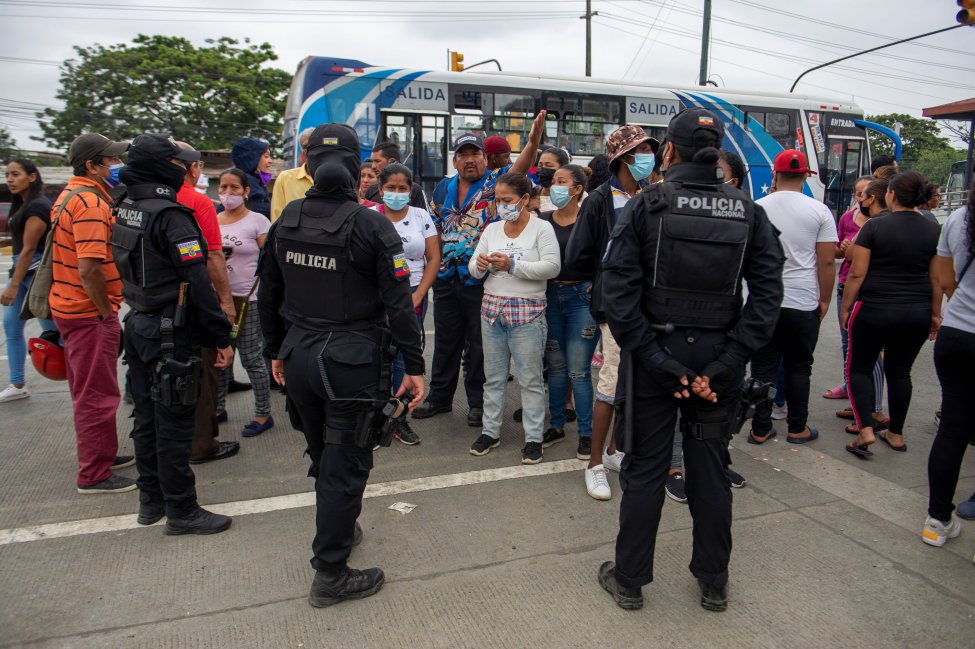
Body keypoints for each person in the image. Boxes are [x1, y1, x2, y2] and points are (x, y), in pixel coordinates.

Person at [596, 108, 784, 612]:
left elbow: (616, 293)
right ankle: (713, 581)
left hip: (659, 362)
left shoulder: (645, 206)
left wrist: (660, 361)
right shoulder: (749, 212)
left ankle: (630, 580)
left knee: (646, 469)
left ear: (669, 152)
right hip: (717, 364)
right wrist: (727, 361)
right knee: (709, 468)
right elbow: (768, 296)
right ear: (718, 151)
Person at [258, 123, 425, 608]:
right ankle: (330, 573)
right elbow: (399, 305)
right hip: (349, 363)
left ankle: (340, 524)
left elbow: (269, 294)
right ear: (359, 172)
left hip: (300, 358)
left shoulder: (287, 218)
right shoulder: (372, 224)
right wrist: (414, 366)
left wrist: (275, 351)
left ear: (308, 167)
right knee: (344, 464)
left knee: (322, 453)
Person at [113, 133, 236, 533]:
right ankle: (182, 510)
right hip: (170, 330)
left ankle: (151, 500)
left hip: (139, 323)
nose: (182, 167)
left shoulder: (127, 204)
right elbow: (197, 281)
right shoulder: (171, 215)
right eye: (175, 160)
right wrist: (221, 335)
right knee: (173, 424)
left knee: (146, 417)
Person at [412, 113, 547, 427]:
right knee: (445, 341)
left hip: (481, 277)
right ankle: (439, 398)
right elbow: (432, 230)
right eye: (463, 155)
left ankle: (476, 402)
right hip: (446, 278)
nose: (470, 160)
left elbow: (520, 169)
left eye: (475, 154)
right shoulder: (443, 188)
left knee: (478, 344)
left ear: (485, 160)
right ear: (455, 161)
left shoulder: (493, 184)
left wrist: (531, 142)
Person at [564, 124, 657, 501]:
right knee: (611, 382)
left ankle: (615, 451)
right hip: (616, 306)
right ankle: (594, 464)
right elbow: (578, 254)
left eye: (651, 150)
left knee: (632, 383)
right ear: (623, 158)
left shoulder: (651, 195)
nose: (648, 158)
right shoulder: (601, 200)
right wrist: (601, 279)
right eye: (641, 152)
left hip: (646, 303)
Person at [52, 133, 135, 494]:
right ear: (92, 165)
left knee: (90, 389)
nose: (116, 166)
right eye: (111, 160)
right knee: (97, 395)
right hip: (87, 313)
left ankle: (102, 452)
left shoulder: (71, 195)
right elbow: (89, 268)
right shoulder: (89, 203)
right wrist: (105, 312)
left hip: (71, 307)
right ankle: (94, 473)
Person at [840, 170, 941, 458]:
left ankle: (865, 430)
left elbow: (857, 273)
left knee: (859, 367)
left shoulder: (875, 226)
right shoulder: (933, 230)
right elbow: (935, 279)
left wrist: (846, 308)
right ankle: (895, 433)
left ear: (892, 194)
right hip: (917, 311)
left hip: (874, 308)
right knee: (901, 372)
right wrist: (935, 314)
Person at [468, 172, 560, 464]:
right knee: (493, 377)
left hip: (528, 312)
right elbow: (473, 267)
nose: (501, 205)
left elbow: (552, 267)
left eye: (507, 200)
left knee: (530, 379)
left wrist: (513, 265)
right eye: (497, 200)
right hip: (492, 310)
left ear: (524, 200)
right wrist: (480, 264)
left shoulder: (541, 229)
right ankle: (490, 432)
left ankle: (534, 438)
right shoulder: (492, 230)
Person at [747, 150, 836, 446]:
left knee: (762, 366)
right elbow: (825, 261)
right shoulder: (820, 211)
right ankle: (797, 427)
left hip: (763, 301)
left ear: (775, 174)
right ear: (805, 176)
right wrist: (824, 300)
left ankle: (759, 429)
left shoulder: (756, 207)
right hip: (803, 300)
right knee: (800, 365)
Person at [174, 142, 242, 466]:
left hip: (158, 306)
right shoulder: (197, 202)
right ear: (192, 168)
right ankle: (203, 444)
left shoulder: (139, 200)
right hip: (196, 302)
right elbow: (214, 255)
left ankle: (174, 440)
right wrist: (226, 304)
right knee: (203, 377)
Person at [372, 162, 441, 445]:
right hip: (377, 295)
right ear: (380, 190)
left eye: (403, 188)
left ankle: (397, 419)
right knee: (376, 355)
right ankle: (375, 418)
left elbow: (433, 258)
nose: (397, 193)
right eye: (391, 188)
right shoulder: (369, 216)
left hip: (412, 291)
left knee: (404, 355)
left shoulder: (420, 215)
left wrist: (419, 293)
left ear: (411, 190)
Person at [537, 164, 598, 460]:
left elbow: (607, 256)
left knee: (579, 370)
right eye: (554, 181)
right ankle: (557, 425)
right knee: (557, 368)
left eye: (562, 182)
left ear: (577, 189)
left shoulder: (591, 219)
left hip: (580, 300)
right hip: (550, 296)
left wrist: (596, 284)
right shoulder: (543, 220)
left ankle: (587, 435)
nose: (555, 186)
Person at [925, 185, 975, 538]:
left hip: (957, 335)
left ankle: (936, 522)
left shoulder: (958, 219)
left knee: (952, 429)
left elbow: (946, 280)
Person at [216, 168, 273, 439]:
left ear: (246, 191)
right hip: (218, 301)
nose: (228, 193)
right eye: (223, 187)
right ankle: (217, 409)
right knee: (219, 357)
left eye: (234, 188)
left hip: (248, 300)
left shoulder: (258, 222)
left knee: (251, 359)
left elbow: (271, 259)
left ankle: (262, 414)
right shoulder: (213, 220)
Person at [827, 177, 888, 430]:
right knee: (848, 347)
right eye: (856, 193)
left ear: (873, 197)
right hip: (847, 286)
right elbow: (838, 253)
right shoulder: (847, 219)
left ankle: (870, 410)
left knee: (868, 353)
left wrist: (851, 250)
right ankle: (854, 396)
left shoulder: (880, 224)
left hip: (866, 292)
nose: (858, 199)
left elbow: (857, 267)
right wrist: (842, 248)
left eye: (862, 194)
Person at [1, 159, 58, 402]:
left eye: (16, 174)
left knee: (53, 332)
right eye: (8, 175)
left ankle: (77, 374)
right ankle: (17, 383)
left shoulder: (37, 206)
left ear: (32, 177)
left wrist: (13, 285)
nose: (10, 179)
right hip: (22, 271)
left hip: (34, 276)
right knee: (11, 327)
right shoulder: (23, 205)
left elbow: (29, 250)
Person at [363, 141, 429, 210]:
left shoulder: (416, 190)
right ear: (380, 190)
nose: (373, 166)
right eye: (390, 188)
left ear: (392, 161)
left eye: (377, 161)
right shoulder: (371, 190)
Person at [270, 127, 316, 222]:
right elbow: (277, 218)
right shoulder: (285, 178)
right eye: (305, 147)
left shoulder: (336, 178)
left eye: (314, 145)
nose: (309, 151)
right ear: (302, 151)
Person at [231, 137, 273, 218]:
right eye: (266, 156)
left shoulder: (254, 182)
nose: (270, 161)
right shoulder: (248, 183)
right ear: (252, 159)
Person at [535, 146, 570, 212]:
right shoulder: (532, 197)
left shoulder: (574, 198)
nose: (543, 169)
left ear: (562, 168)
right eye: (540, 165)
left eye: (549, 165)